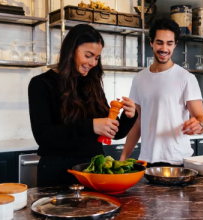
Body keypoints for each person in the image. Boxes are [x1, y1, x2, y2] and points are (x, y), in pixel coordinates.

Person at [28, 24, 138, 187]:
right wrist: (90, 126)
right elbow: (44, 136)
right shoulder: (41, 84)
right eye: (89, 55)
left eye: (97, 57)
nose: (93, 62)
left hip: (93, 173)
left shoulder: (92, 84)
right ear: (71, 50)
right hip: (57, 175)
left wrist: (129, 116)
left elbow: (112, 133)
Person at [120, 18, 203, 167]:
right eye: (159, 42)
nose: (164, 48)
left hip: (177, 161)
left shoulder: (186, 78)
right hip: (147, 161)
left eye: (169, 43)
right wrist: (122, 159)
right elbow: (137, 123)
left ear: (175, 44)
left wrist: (199, 126)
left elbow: (202, 119)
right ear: (151, 43)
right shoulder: (139, 79)